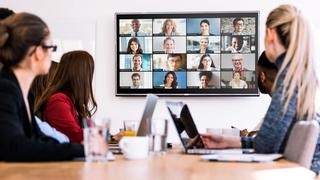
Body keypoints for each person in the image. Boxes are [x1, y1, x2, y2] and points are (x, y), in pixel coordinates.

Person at [201, 5, 320, 173]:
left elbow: (266, 146)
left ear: (270, 34)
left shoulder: (288, 80)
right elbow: (276, 141)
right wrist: (227, 141)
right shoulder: (299, 74)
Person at [0, 12, 102, 161]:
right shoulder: (5, 90)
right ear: (38, 52)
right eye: (51, 47)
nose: (52, 55)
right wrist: (83, 149)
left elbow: (38, 139)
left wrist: (82, 148)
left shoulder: (25, 94)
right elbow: (15, 147)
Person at [35, 50, 98, 143]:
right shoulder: (58, 101)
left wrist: (110, 136)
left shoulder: (68, 101)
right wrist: (104, 133)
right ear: (82, 77)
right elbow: (76, 136)